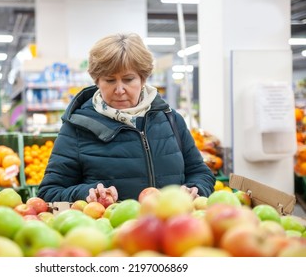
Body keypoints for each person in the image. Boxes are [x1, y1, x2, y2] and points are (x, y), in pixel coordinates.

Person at [37, 32, 215, 204]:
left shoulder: (170, 120)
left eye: (128, 79)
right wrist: (85, 193)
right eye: (110, 80)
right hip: (110, 231)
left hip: (172, 228)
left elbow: (201, 173)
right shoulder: (77, 128)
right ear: (97, 81)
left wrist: (195, 189)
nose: (120, 89)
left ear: (143, 79)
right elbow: (49, 191)